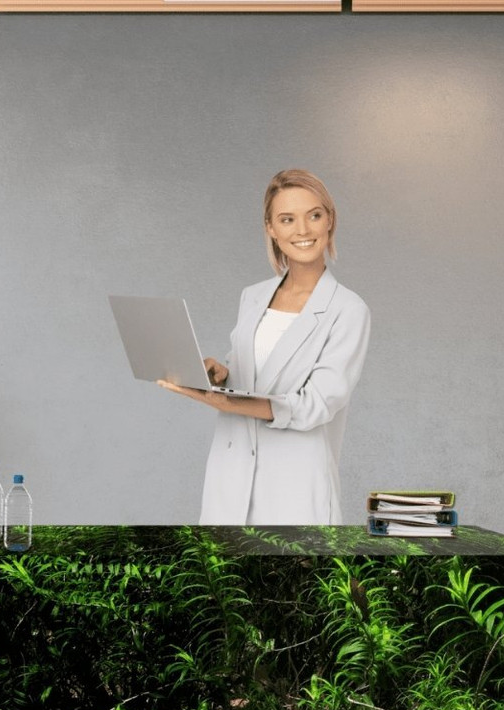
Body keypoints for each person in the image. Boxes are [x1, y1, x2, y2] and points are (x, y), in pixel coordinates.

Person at [158, 169, 370, 525]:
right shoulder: (253, 296)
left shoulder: (348, 310)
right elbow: (249, 377)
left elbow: (317, 404)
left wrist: (225, 402)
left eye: (314, 215)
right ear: (270, 228)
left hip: (295, 487)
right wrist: (221, 376)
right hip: (230, 477)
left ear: (329, 221)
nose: (302, 230)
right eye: (287, 219)